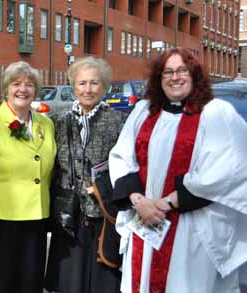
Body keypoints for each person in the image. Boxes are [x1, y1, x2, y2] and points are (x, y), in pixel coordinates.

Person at [109, 48, 247, 293]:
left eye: (182, 70)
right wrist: (139, 202)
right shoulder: (143, 111)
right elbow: (121, 157)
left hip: (191, 229)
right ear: (159, 79)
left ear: (194, 75)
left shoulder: (216, 113)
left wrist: (167, 203)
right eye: (168, 72)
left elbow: (229, 168)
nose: (175, 77)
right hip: (145, 222)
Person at [0, 61, 56, 293]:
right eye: (16, 84)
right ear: (6, 89)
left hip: (37, 219)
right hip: (0, 222)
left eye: (29, 85)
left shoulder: (46, 124)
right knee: (0, 285)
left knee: (31, 284)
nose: (23, 90)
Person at [43, 56, 126, 293]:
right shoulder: (58, 121)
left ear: (104, 86)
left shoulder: (119, 121)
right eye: (82, 83)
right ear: (73, 86)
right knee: (70, 281)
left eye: (94, 83)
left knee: (103, 280)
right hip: (69, 214)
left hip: (104, 213)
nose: (87, 89)